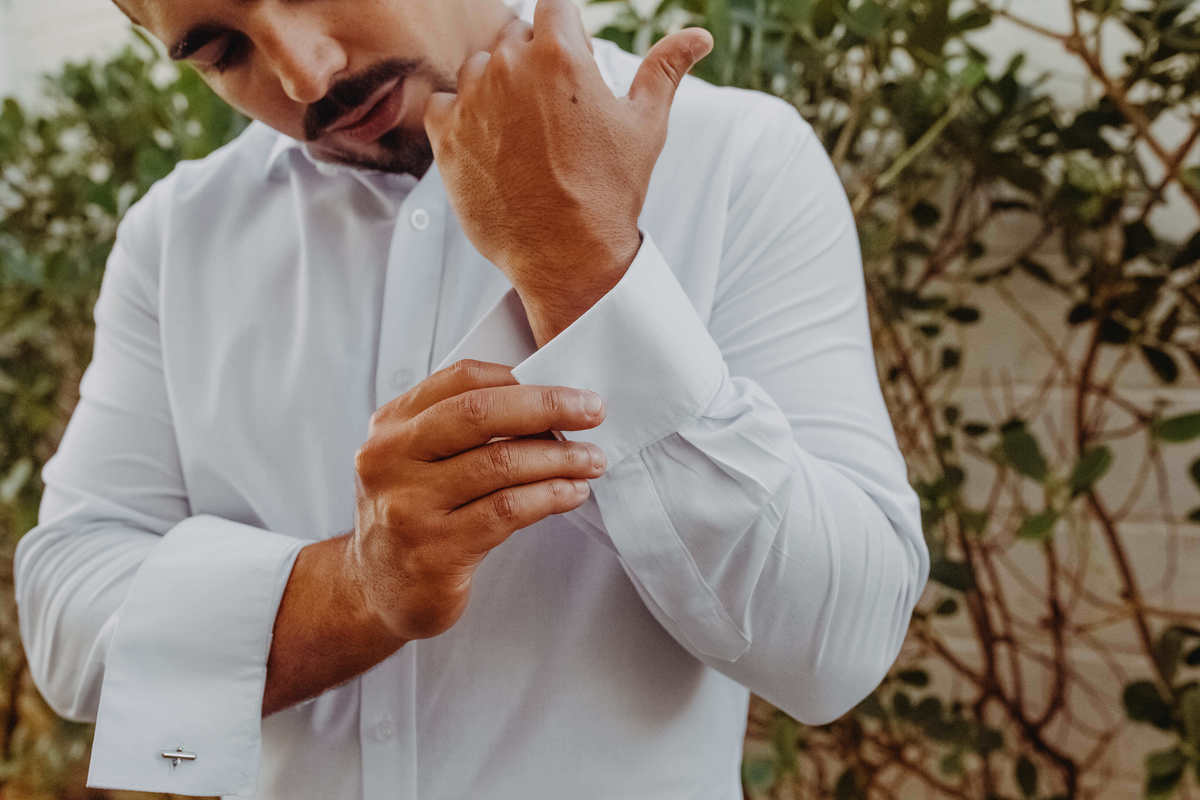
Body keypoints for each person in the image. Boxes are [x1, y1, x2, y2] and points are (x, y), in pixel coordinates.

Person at [12, 0, 931, 796]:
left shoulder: (737, 159)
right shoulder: (177, 239)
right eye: (221, 50)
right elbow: (68, 614)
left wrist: (581, 269)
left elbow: (836, 650)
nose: (304, 73)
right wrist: (360, 589)